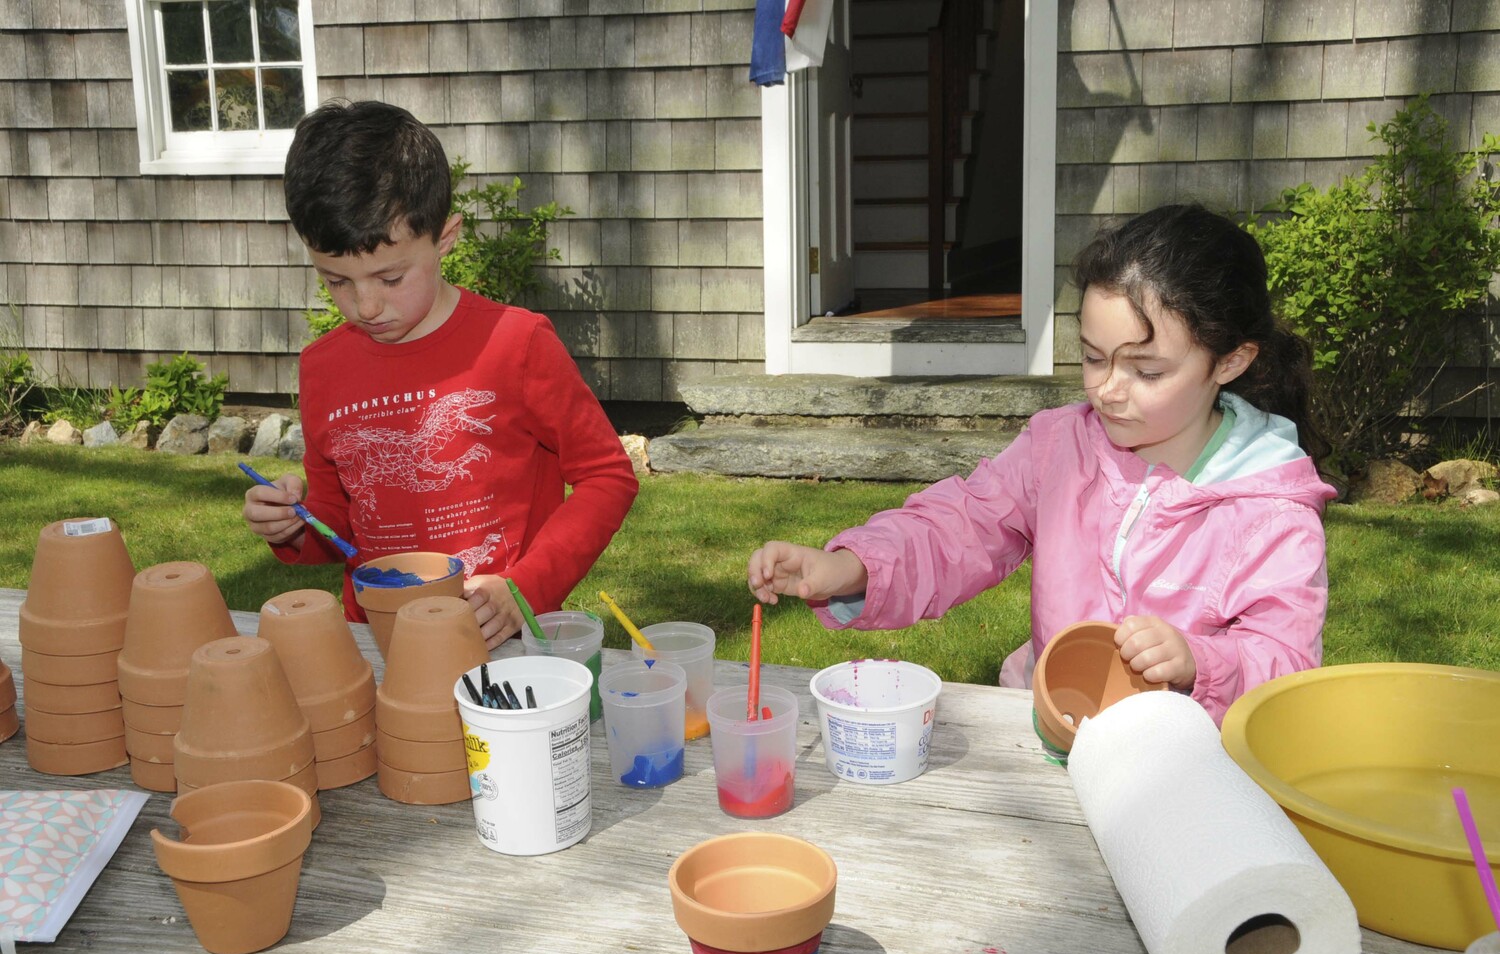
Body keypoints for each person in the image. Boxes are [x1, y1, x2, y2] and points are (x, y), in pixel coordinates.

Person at [747, 204, 1335, 725]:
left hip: (1182, 763)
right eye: (1092, 357)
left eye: (1147, 371)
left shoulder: (1269, 511)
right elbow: (961, 526)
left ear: (1230, 362)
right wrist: (852, 568)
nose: (1108, 389)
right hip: (1050, 725)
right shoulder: (1060, 449)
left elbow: (1283, 664)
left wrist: (1198, 663)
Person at [243, 100, 638, 649]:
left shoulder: (516, 344)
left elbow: (607, 477)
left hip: (500, 639)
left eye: (390, 277)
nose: (365, 306)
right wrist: (293, 524)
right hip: (376, 645)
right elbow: (339, 524)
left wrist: (525, 587)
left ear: (446, 237)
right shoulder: (322, 368)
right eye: (336, 281)